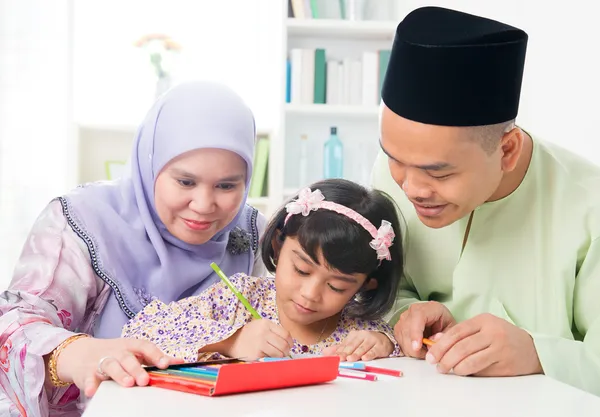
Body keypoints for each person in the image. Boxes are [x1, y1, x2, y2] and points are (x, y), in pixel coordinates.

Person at [0, 81, 268, 416]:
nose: (203, 205)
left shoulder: (252, 233)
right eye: (185, 181)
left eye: (227, 186)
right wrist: (77, 353)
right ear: (151, 163)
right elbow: (14, 324)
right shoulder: (82, 221)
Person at [370, 5, 600, 396]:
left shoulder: (588, 205)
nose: (410, 188)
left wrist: (537, 353)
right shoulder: (394, 173)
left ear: (506, 151)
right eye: (394, 159)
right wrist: (408, 313)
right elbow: (379, 287)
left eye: (439, 173)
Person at [122, 179, 403, 362]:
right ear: (279, 245)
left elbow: (409, 357)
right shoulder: (238, 299)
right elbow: (140, 331)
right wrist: (232, 341)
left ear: (366, 285)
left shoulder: (360, 329)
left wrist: (385, 345)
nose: (310, 294)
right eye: (302, 269)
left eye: (337, 287)